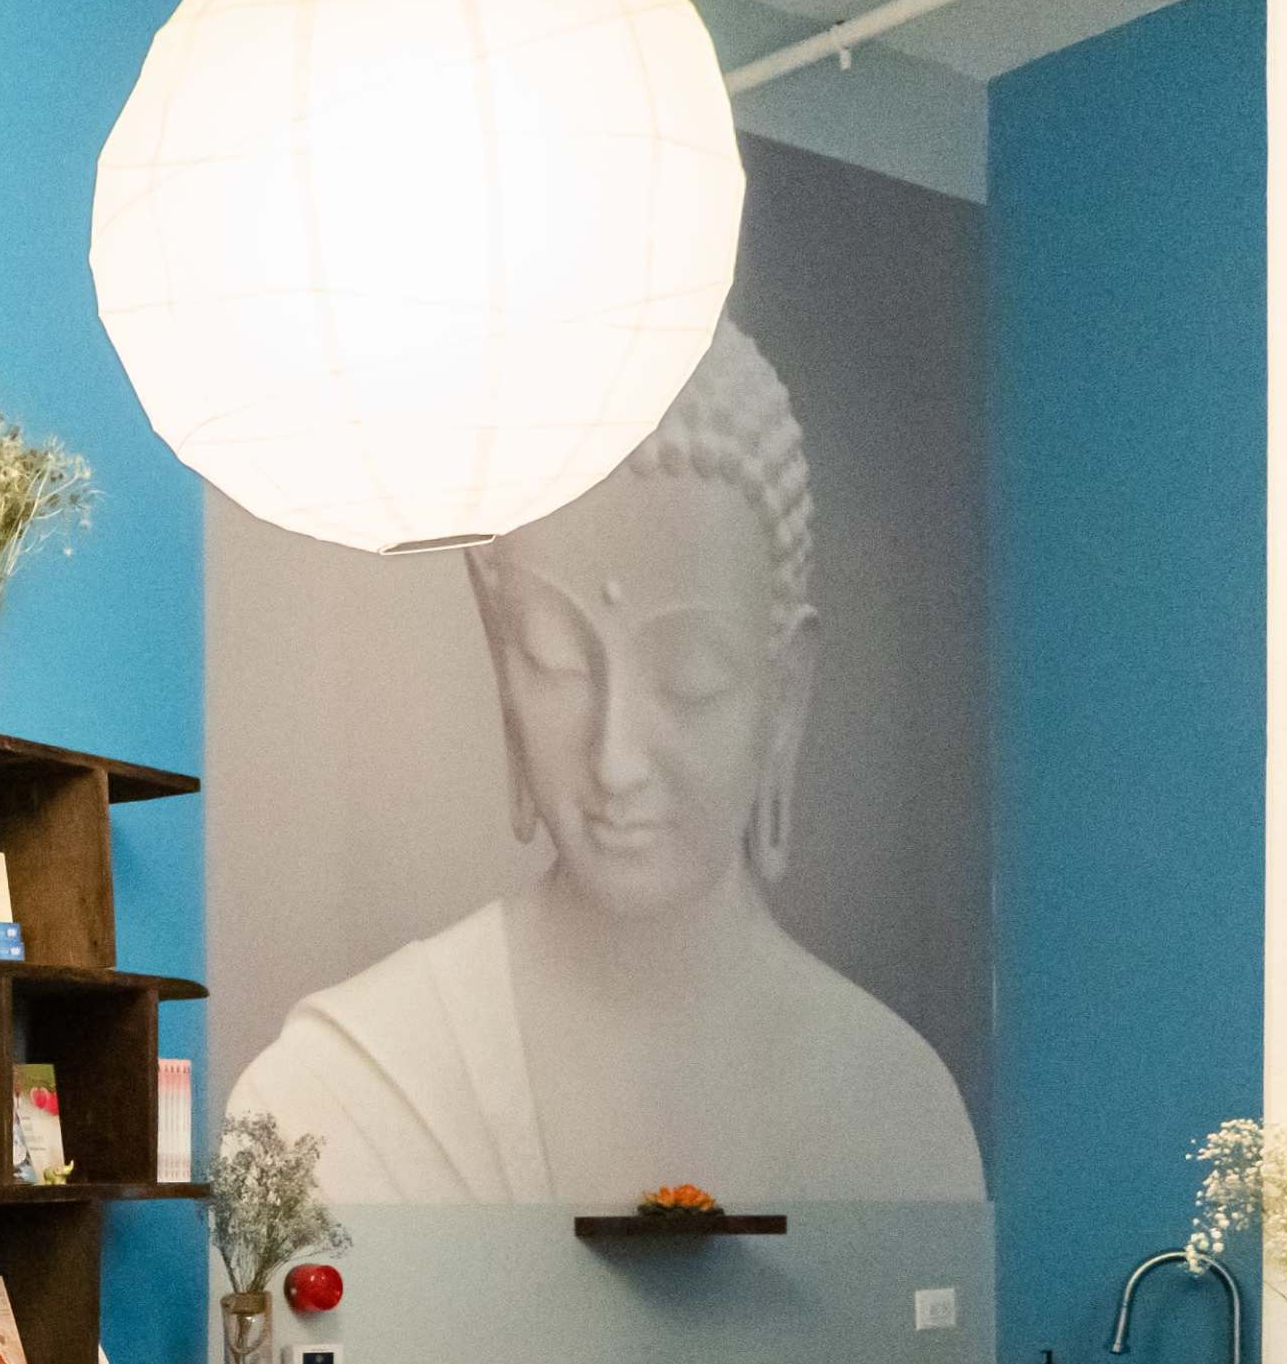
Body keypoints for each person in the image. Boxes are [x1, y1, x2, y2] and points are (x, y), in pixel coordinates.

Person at [225, 323, 985, 1206]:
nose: (615, 759)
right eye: (557, 659)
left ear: (787, 690)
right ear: (499, 646)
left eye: (692, 676)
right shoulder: (342, 1091)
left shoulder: (899, 1114)